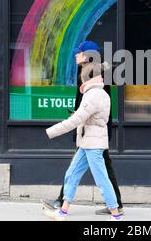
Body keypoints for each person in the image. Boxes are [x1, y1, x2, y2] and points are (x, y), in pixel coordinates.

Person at [41, 41, 123, 215]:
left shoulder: (95, 76)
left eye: (79, 53)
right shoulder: (87, 73)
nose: (75, 55)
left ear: (87, 55)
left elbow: (95, 106)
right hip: (87, 130)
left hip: (93, 132)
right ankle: (64, 206)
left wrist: (75, 119)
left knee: (101, 173)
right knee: (76, 171)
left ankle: (115, 209)